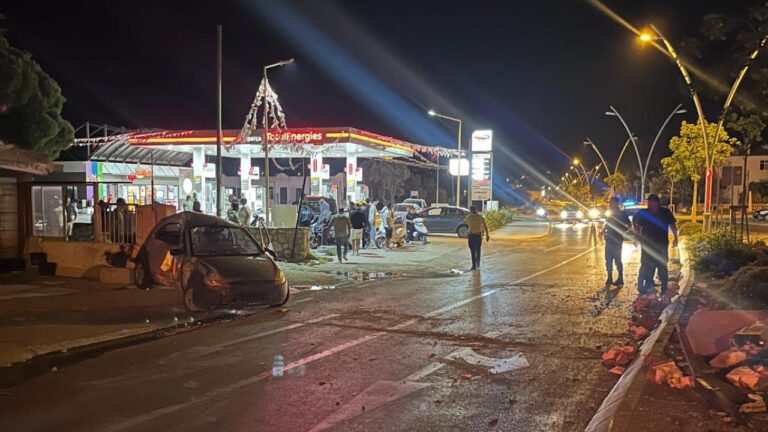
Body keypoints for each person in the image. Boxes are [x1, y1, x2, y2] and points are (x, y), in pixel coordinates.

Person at [633, 194, 678, 295]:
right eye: (649, 204)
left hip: (661, 245)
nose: (650, 206)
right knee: (646, 265)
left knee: (662, 266)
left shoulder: (665, 212)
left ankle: (664, 288)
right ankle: (644, 286)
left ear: (657, 203)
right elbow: (638, 227)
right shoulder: (644, 213)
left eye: (652, 204)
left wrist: (676, 237)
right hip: (647, 245)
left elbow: (672, 225)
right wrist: (636, 239)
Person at [599, 197, 631, 287]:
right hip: (609, 239)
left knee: (617, 259)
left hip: (617, 240)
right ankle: (609, 278)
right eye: (610, 203)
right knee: (608, 260)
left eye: (612, 203)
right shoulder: (610, 214)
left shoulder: (622, 214)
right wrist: (602, 231)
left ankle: (620, 278)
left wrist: (622, 231)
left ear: (616, 204)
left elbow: (629, 225)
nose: (610, 205)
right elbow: (607, 224)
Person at [464, 206, 490, 270]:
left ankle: (474, 265)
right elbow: (485, 226)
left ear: (471, 210)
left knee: (472, 251)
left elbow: (465, 223)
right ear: (476, 210)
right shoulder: (481, 217)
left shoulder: (469, 217)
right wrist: (487, 235)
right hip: (478, 236)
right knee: (478, 250)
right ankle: (477, 264)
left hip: (471, 236)